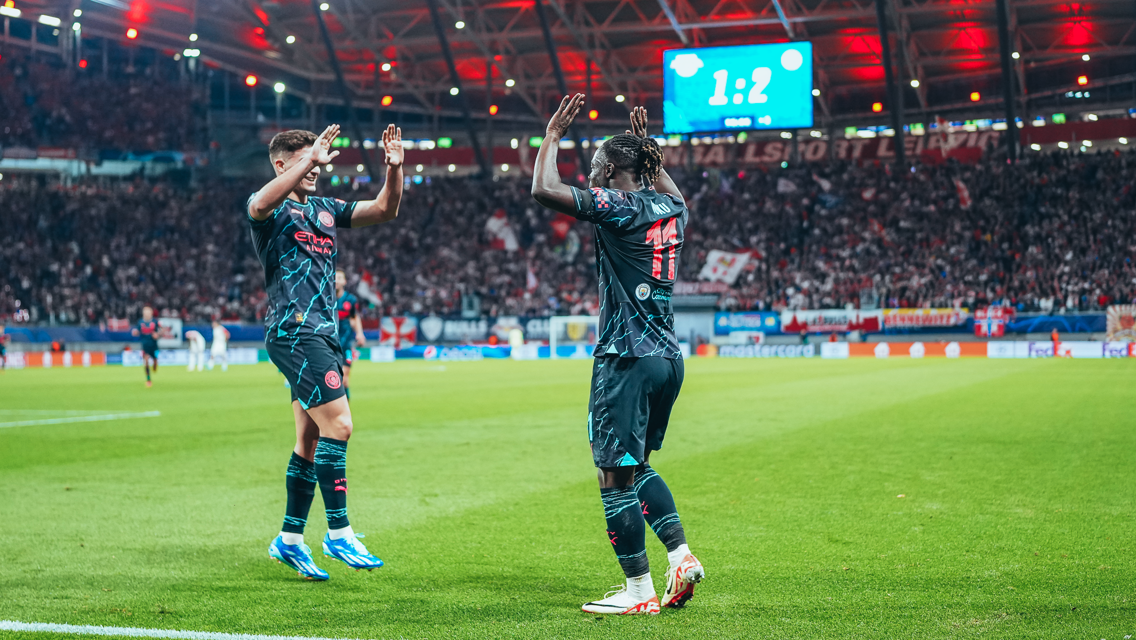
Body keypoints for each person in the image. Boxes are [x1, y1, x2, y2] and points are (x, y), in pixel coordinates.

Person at [531, 97, 703, 615]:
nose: (590, 175)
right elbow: (667, 189)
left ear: (607, 169)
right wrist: (651, 155)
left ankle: (638, 593)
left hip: (625, 357)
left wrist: (552, 135)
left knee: (612, 475)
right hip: (668, 357)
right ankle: (681, 555)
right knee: (638, 465)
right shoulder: (672, 209)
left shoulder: (619, 206)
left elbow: (543, 189)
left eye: (595, 167)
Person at [248, 123, 404, 581]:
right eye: (306, 157)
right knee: (341, 424)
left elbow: (384, 210)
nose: (319, 163)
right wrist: (309, 161)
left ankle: (290, 540)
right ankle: (338, 531)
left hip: (324, 333)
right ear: (282, 164)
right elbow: (259, 203)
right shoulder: (270, 211)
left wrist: (393, 170)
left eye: (321, 155)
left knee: (310, 440)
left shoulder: (323, 210)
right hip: (296, 332)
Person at [334, 270, 365, 399]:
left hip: (345, 344)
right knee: (332, 381)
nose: (336, 280)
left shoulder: (350, 300)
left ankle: (345, 416)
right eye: (334, 278)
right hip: (328, 345)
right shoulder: (324, 300)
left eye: (339, 278)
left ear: (344, 281)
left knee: (344, 379)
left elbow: (354, 318)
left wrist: (360, 333)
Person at [131, 306, 159, 387]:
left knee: (155, 361)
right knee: (146, 361)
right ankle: (148, 379)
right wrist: (135, 333)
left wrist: (157, 335)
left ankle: (155, 365)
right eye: (145, 313)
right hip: (145, 345)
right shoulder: (140, 322)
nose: (147, 314)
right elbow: (137, 331)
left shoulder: (155, 322)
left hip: (153, 345)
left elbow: (160, 331)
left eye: (148, 313)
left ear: (151, 313)